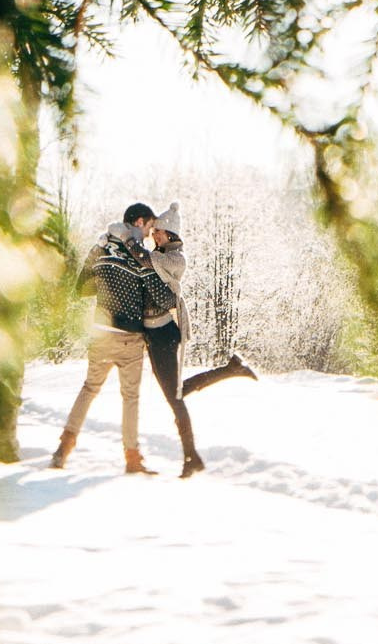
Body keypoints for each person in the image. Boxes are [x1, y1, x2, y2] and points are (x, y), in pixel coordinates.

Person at [135, 202, 257, 479]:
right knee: (176, 392)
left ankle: (192, 457)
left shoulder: (176, 258)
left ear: (172, 235)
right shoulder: (159, 254)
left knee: (175, 397)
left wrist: (132, 246)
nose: (156, 237)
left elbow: (150, 263)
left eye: (160, 233)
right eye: (155, 233)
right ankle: (231, 369)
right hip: (153, 332)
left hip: (166, 331)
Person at [51, 203, 175, 474]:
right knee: (130, 397)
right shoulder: (138, 254)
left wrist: (98, 256)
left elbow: (81, 289)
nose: (149, 234)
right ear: (140, 222)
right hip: (129, 337)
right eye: (150, 227)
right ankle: (132, 458)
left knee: (89, 389)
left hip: (101, 333)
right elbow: (161, 296)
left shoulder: (104, 247)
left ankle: (64, 447)